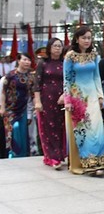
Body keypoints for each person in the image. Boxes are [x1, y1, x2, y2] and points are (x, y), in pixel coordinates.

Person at [63, 26, 104, 175]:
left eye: (89, 38)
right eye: (84, 38)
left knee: (97, 129)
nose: (87, 40)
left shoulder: (94, 55)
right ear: (77, 39)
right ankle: (87, 163)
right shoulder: (70, 56)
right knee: (83, 131)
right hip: (78, 99)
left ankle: (99, 162)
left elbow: (97, 77)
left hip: (93, 97)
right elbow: (67, 79)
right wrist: (68, 100)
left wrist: (101, 96)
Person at [33, 38, 66, 169]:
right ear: (49, 48)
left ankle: (59, 154)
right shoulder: (43, 63)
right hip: (46, 99)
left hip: (62, 99)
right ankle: (51, 156)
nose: (58, 48)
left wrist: (65, 95)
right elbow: (37, 84)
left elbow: (69, 81)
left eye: (60, 46)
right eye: (55, 46)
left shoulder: (65, 63)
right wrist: (37, 101)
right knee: (48, 128)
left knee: (60, 127)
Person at [0, 53, 36, 158]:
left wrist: (33, 110)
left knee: (23, 131)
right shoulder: (10, 75)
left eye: (29, 60)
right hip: (9, 109)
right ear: (18, 61)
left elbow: (32, 95)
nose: (27, 62)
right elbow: (3, 92)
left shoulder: (31, 77)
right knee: (12, 130)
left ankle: (23, 155)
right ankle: (12, 154)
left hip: (23, 109)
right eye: (24, 59)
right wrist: (2, 107)